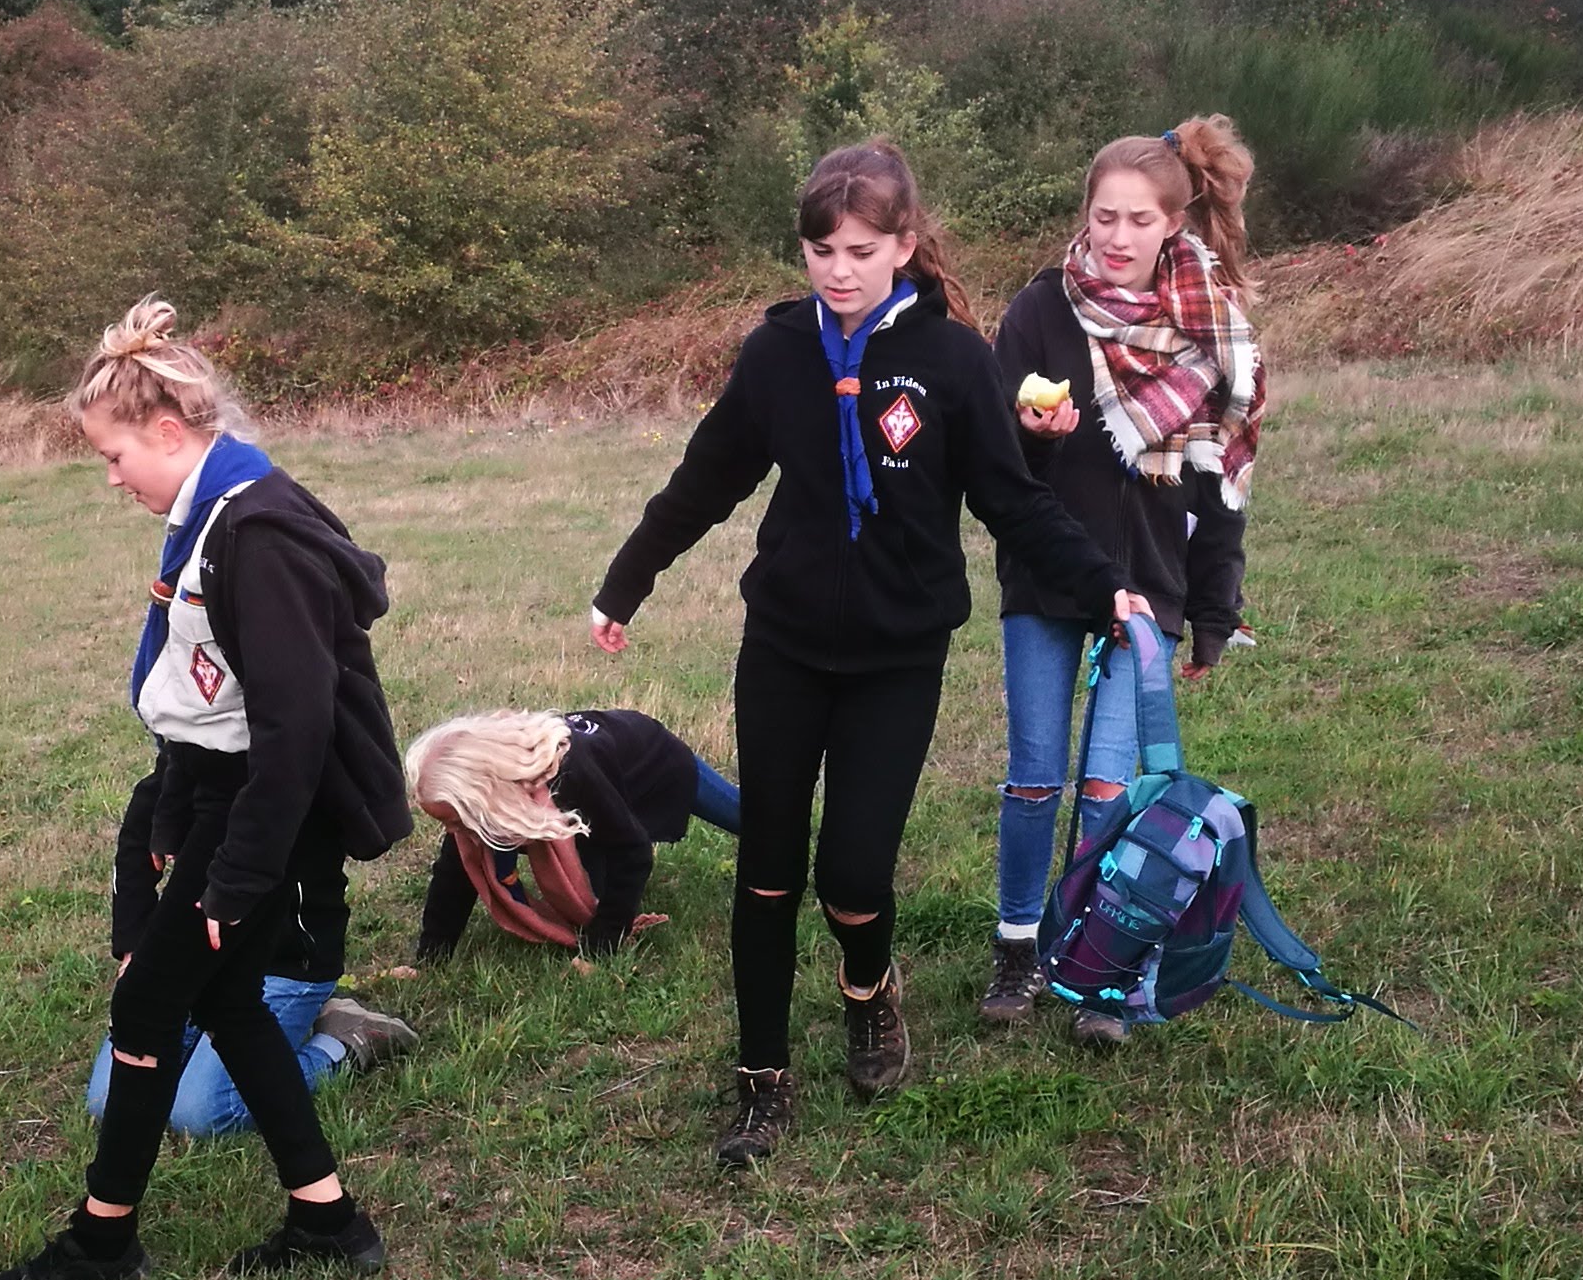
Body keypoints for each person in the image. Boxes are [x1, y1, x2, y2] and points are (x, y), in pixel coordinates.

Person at [588, 139, 1143, 1164]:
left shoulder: (953, 361)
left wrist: (1100, 584)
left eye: (858, 250)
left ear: (903, 245)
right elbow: (706, 477)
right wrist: (625, 581)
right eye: (820, 251)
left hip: (897, 657)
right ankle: (760, 1079)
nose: (837, 272)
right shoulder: (776, 355)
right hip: (784, 647)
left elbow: (1013, 501)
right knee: (767, 868)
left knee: (850, 874)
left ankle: (866, 988)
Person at [0, 300, 411, 1280]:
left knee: (147, 1006)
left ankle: (102, 1246)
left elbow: (294, 733)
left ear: (169, 432)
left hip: (260, 813)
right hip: (224, 797)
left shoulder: (255, 537)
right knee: (225, 1004)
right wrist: (172, 826)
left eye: (114, 455)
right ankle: (327, 1222)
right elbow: (202, 705)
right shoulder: (211, 517)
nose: (110, 477)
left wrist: (233, 880)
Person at [984, 118, 1268, 1035]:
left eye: (1138, 220)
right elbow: (992, 463)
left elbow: (1218, 489)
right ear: (1085, 214)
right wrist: (1032, 439)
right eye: (1103, 216)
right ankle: (1018, 947)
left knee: (1109, 787)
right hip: (1047, 577)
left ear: (1173, 224)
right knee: (1035, 777)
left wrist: (1214, 612)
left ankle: (1095, 957)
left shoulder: (1206, 332)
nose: (1116, 236)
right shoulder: (1040, 311)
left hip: (1150, 586)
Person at [81, 780, 416, 1134]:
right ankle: (235, 1046)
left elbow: (373, 827)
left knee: (204, 1112)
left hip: (285, 965)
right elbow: (139, 831)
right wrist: (135, 949)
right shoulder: (194, 758)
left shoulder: (295, 765)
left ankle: (346, 1041)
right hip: (189, 959)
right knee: (109, 1099)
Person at [405, 708, 744, 961]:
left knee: (748, 820)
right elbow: (456, 874)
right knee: (592, 908)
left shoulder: (574, 773)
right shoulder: (484, 807)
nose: (451, 832)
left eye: (454, 821)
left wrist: (600, 950)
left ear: (484, 796)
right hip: (592, 805)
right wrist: (431, 957)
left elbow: (633, 851)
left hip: (656, 762)